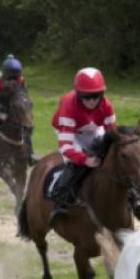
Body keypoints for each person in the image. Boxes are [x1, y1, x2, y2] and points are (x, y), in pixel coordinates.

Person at [48, 67, 116, 225]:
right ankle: (60, 201)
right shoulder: (69, 105)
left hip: (92, 128)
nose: (92, 101)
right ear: (79, 94)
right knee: (73, 163)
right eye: (87, 96)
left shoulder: (106, 105)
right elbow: (65, 147)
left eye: (97, 96)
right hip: (69, 131)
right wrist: (84, 160)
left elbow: (113, 136)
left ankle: (132, 198)